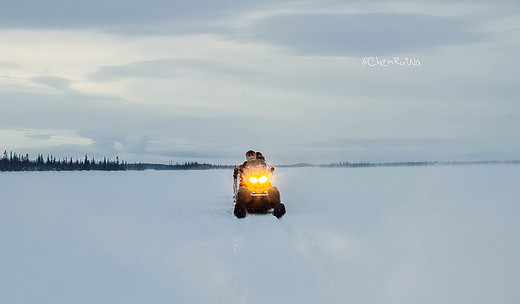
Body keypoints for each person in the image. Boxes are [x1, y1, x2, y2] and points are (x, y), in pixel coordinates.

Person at [233, 150, 283, 217]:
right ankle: (241, 205)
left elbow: (265, 169)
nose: (250, 157)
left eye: (252, 155)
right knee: (243, 191)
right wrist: (237, 170)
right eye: (249, 156)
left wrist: (269, 171)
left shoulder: (261, 163)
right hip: (249, 181)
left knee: (272, 189)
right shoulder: (245, 164)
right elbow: (240, 168)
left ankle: (276, 204)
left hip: (262, 180)